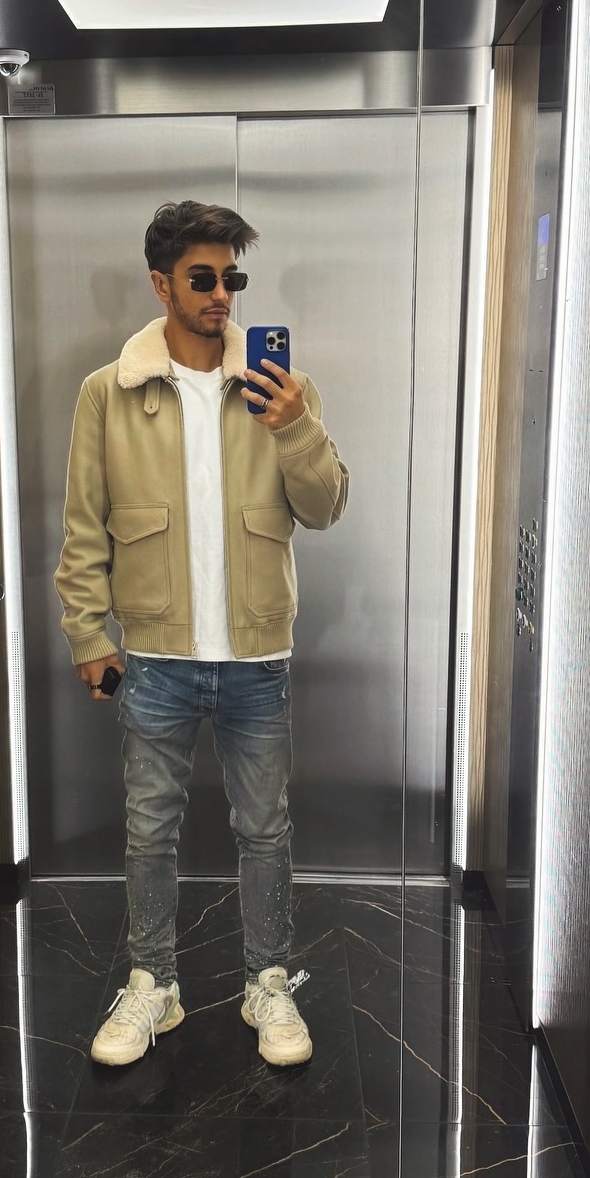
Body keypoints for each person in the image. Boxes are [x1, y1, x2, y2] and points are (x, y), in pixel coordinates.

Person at [55, 199, 350, 1068]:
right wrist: (87, 634)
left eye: (233, 277)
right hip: (155, 656)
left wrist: (293, 426)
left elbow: (325, 506)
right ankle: (154, 984)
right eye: (203, 277)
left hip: (256, 656)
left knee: (266, 830)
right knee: (149, 830)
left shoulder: (281, 389)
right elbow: (84, 526)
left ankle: (269, 982)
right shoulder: (108, 393)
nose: (222, 293)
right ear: (162, 285)